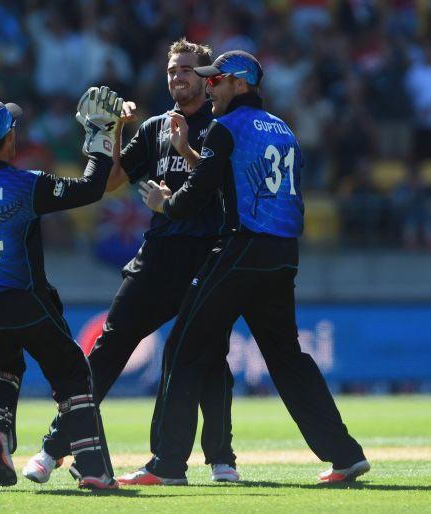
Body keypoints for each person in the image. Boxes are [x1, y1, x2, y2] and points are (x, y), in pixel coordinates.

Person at [133, 50, 370, 484]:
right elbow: (240, 183)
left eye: (216, 81)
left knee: (182, 347)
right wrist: (188, 150)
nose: (209, 87)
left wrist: (163, 204)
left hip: (241, 249)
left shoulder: (225, 128)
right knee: (287, 359)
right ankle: (345, 455)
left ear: (239, 84)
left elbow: (196, 197)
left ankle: (165, 466)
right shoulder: (284, 129)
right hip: (282, 256)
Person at [26, 38, 239, 486]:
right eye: (171, 71)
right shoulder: (156, 126)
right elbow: (112, 182)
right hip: (160, 253)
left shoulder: (223, 126)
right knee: (109, 345)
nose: (176, 77)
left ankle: (222, 459)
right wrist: (119, 129)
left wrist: (184, 155)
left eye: (186, 70)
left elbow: (223, 189)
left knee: (209, 356)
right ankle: (54, 448)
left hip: (208, 254)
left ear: (205, 78)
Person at [0, 81, 123, 489]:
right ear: (8, 139)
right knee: (72, 374)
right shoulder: (24, 185)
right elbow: (91, 188)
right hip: (23, 301)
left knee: (0, 367)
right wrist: (102, 135)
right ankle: (93, 470)